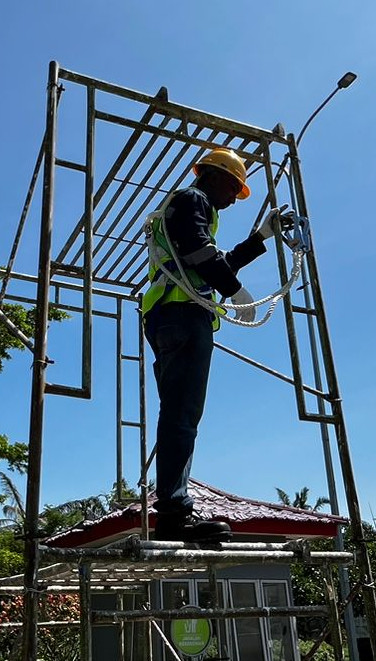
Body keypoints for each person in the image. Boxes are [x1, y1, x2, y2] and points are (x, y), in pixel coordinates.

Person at [141, 147, 288, 542]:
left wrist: (261, 237)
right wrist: (236, 292)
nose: (233, 197)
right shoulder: (194, 199)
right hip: (181, 314)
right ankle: (173, 515)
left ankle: (173, 511)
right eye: (234, 187)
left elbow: (212, 258)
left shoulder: (191, 207)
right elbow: (201, 254)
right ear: (216, 176)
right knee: (181, 415)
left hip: (172, 316)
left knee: (180, 413)